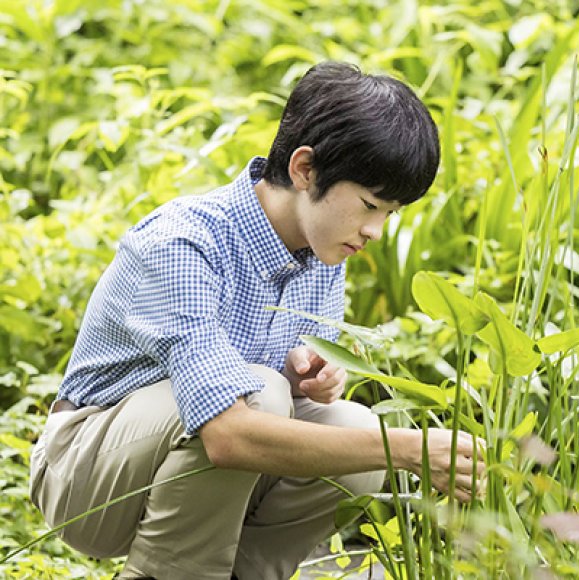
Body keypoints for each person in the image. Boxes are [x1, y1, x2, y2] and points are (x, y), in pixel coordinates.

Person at [29, 61, 485, 580]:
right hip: (85, 476)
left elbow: (282, 404)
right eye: (369, 205)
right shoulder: (184, 243)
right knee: (262, 395)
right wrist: (408, 448)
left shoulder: (323, 250)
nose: (376, 230)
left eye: (391, 213)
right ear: (304, 169)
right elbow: (227, 435)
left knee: (354, 427)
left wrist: (308, 381)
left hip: (197, 476)